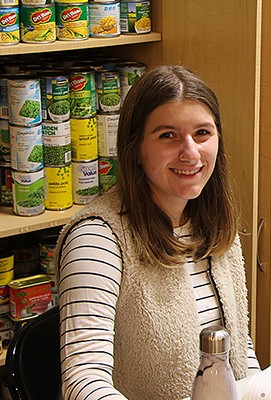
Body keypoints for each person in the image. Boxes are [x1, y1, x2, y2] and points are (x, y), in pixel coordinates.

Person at [56, 65, 260, 400]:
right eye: (168, 135)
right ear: (135, 148)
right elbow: (83, 382)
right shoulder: (97, 239)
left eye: (203, 134)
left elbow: (237, 351)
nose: (190, 152)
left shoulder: (217, 228)